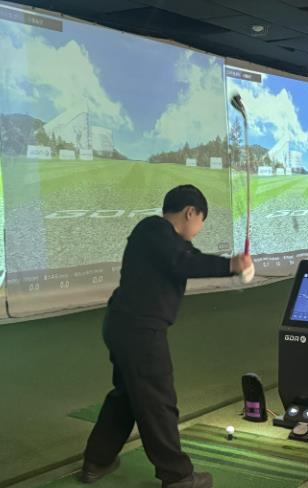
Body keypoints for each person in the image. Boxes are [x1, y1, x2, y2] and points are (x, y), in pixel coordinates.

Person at [81, 185, 253, 488]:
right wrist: (230, 264)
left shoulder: (169, 240)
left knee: (128, 395)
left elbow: (191, 259)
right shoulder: (154, 229)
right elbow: (183, 262)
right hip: (139, 331)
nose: (199, 229)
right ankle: (177, 476)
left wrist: (232, 266)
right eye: (201, 221)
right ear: (190, 213)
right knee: (157, 402)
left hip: (126, 326)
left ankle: (98, 459)